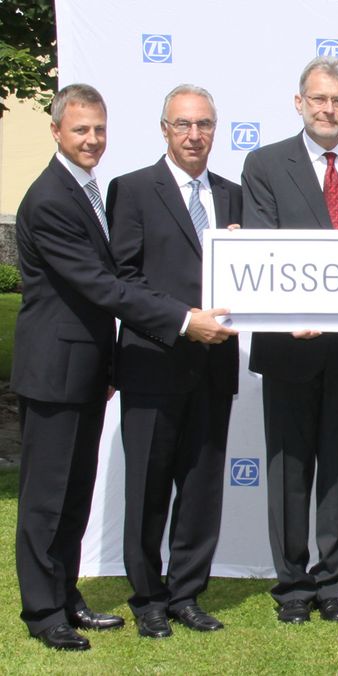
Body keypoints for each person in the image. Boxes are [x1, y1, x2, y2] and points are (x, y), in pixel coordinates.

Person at [12, 84, 235, 651]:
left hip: (91, 368)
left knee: (73, 495)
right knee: (47, 498)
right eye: (81, 130)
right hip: (61, 368)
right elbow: (107, 284)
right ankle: (43, 612)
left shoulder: (83, 189)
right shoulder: (53, 198)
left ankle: (66, 598)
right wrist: (185, 320)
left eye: (99, 130)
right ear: (57, 131)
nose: (92, 139)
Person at [241, 56, 338, 624]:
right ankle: (292, 587)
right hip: (289, 344)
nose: (328, 109)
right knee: (287, 470)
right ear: (299, 102)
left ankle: (335, 585)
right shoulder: (262, 164)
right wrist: (291, 311)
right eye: (318, 99)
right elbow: (259, 247)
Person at [106, 85, 241, 639]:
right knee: (148, 491)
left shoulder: (233, 196)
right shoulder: (133, 189)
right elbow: (123, 282)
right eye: (183, 124)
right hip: (152, 362)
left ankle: (187, 593)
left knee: (202, 489)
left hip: (214, 369)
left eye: (204, 124)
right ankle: (148, 598)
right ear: (164, 128)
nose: (194, 135)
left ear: (215, 129)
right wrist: (186, 320)